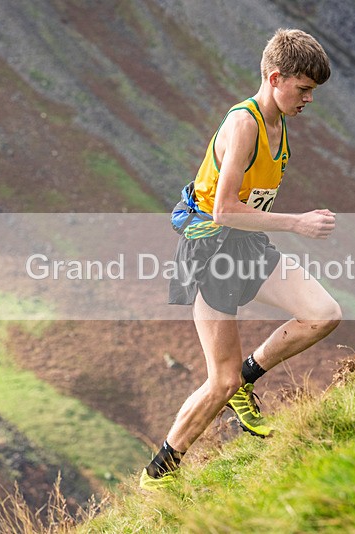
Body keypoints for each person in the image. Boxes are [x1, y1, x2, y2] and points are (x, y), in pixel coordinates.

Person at [140, 28, 341, 490]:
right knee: (221, 381)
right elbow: (224, 208)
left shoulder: (280, 122)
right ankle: (159, 477)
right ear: (275, 78)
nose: (309, 99)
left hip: (246, 247)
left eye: (313, 91)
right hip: (211, 254)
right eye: (304, 89)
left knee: (323, 314)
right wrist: (298, 223)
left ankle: (251, 376)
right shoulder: (244, 124)